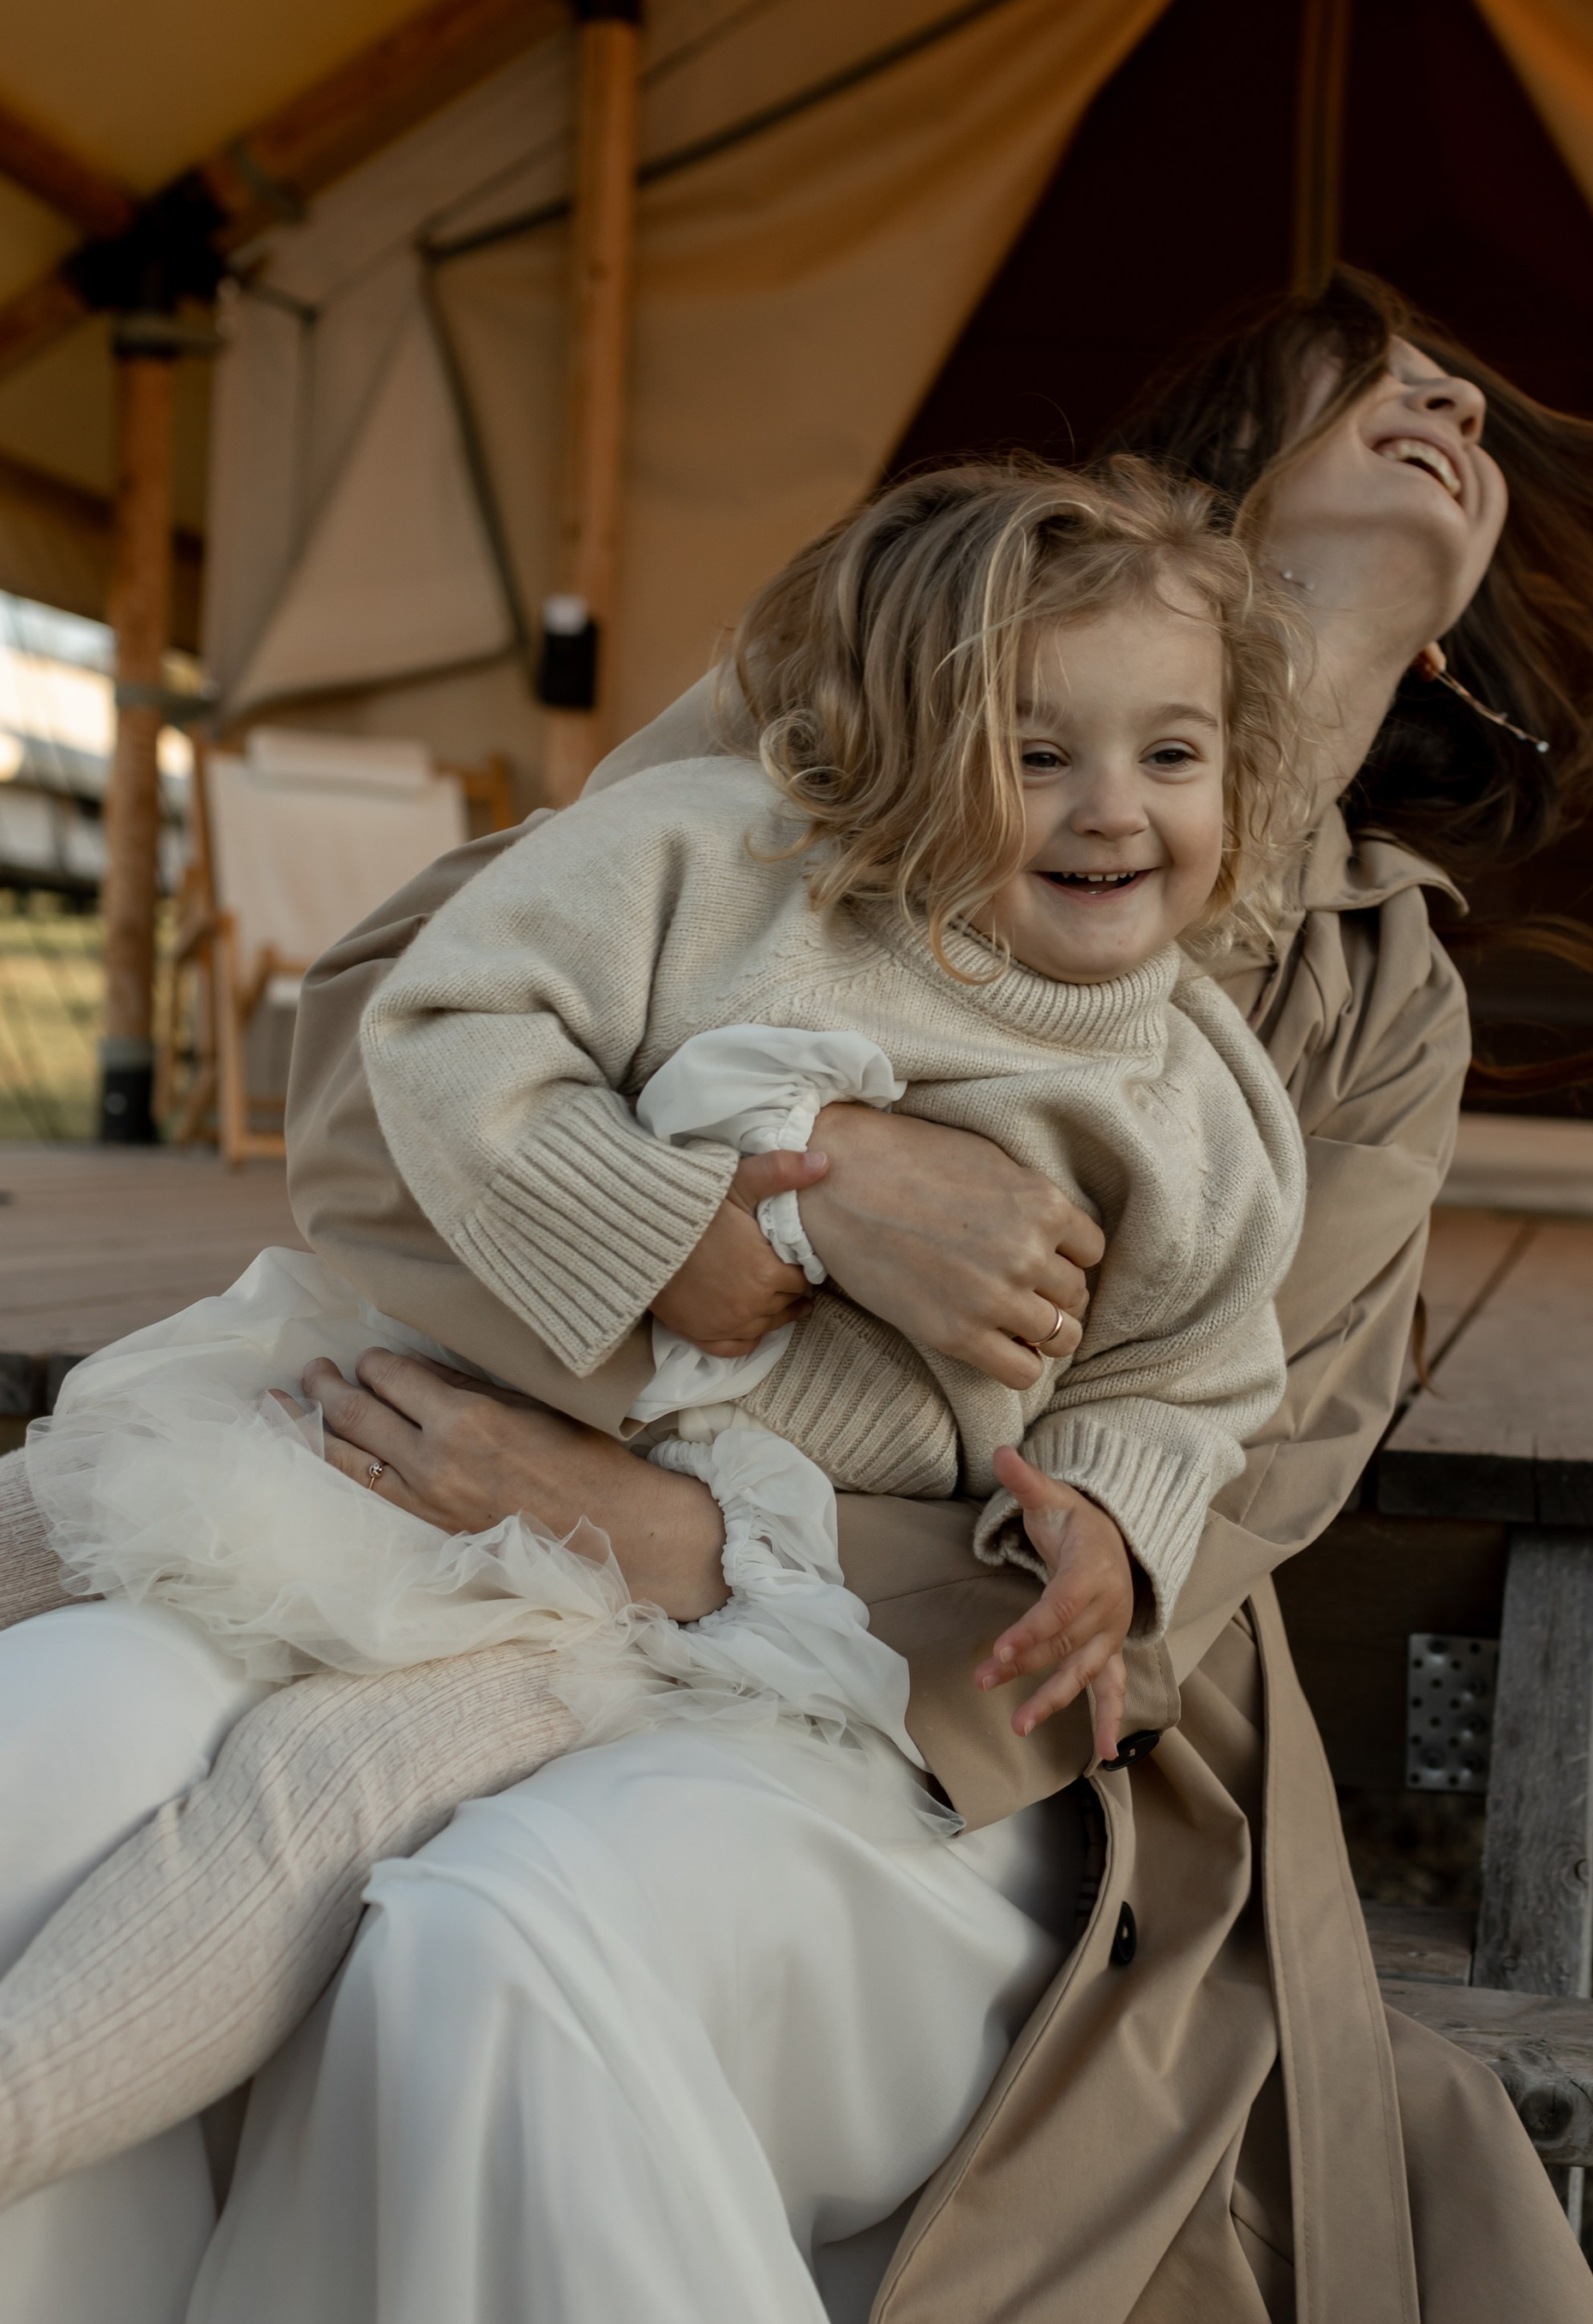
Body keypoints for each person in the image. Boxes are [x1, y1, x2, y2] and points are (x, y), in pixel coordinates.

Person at [2, 263, 1593, 2324]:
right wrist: (810, 1182)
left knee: (494, 1955)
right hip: (426, 1488)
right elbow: (380, 1094)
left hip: (898, 1715)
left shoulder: (1351, 1018)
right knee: (45, 1746)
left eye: (1201, 740)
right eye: (1356, 394)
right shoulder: (821, 744)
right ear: (1132, 507)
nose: (1441, 408)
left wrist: (682, 1534)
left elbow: (1201, 1488)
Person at [0, 457, 1315, 2225]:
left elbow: (1189, 1369)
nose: (1109, 810)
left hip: (696, 1601)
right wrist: (682, 1228)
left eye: (1170, 756)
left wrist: (1104, 1523)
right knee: (52, 1534)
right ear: (912, 738)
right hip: (439, 1405)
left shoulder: (1197, 1106)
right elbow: (450, 1022)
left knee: (324, 1789)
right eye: (1032, 751)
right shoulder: (726, 862)